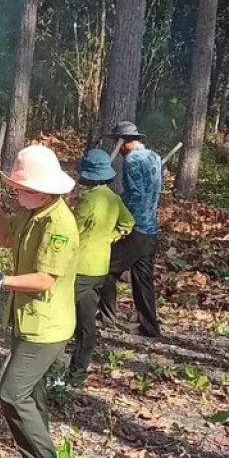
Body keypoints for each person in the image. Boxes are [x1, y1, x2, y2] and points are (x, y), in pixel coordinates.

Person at [0, 145, 79, 458]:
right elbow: (4, 237)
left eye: (22, 190)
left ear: (44, 190)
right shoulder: (33, 212)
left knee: (11, 392)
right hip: (25, 320)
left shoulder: (59, 224)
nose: (19, 194)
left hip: (46, 327)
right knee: (31, 392)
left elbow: (45, 279)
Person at [69, 149, 134, 383]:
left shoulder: (88, 199)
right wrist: (111, 236)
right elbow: (128, 222)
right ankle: (76, 375)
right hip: (100, 268)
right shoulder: (113, 197)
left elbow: (72, 231)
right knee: (87, 323)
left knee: (62, 315)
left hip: (80, 267)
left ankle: (47, 368)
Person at [99, 121, 163, 338]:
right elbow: (148, 192)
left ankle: (107, 318)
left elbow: (136, 195)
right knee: (142, 278)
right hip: (151, 229)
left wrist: (122, 220)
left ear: (123, 143)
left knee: (107, 269)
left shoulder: (132, 160)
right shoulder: (153, 156)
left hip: (137, 228)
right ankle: (150, 327)